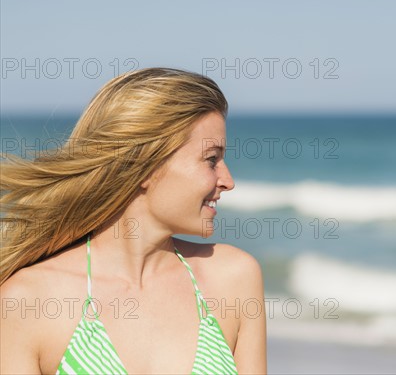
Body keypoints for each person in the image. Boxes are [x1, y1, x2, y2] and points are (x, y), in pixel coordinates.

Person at [0, 68, 267, 374]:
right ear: (146, 166)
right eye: (211, 159)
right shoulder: (26, 302)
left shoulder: (234, 280)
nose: (228, 180)